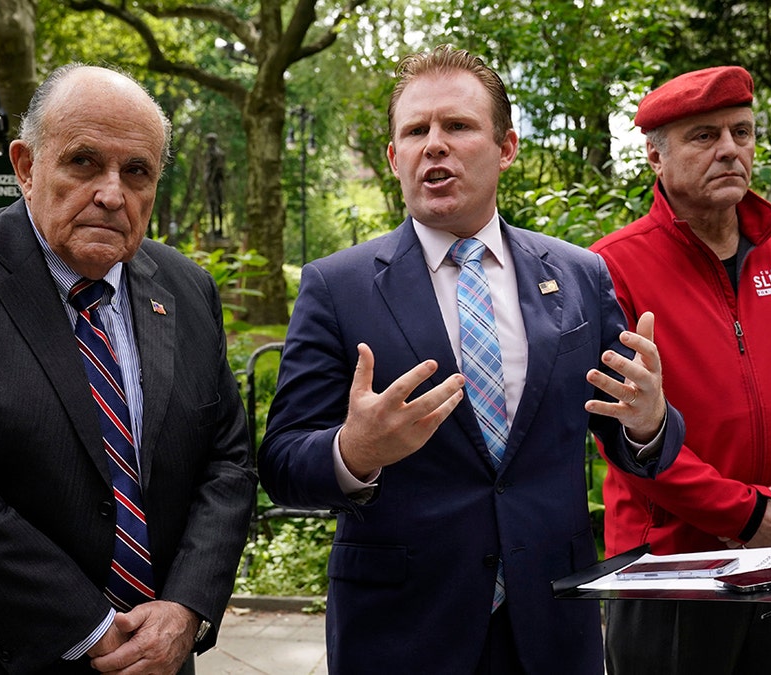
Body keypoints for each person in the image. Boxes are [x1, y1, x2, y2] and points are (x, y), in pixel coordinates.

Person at [257, 45, 685, 674]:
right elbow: (282, 461)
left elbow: (633, 440)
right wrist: (354, 453)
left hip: (550, 622)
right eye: (415, 131)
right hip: (402, 629)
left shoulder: (578, 275)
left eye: (457, 126)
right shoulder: (336, 286)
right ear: (393, 157)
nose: (435, 144)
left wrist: (648, 421)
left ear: (506, 147)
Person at [0, 64, 257, 674]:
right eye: (84, 162)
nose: (112, 193)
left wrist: (186, 607)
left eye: (137, 171)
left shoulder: (186, 286)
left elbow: (226, 460)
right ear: (25, 166)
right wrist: (88, 627)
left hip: (156, 655)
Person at [590, 65, 771, 675]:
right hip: (669, 566)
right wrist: (743, 514)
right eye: (703, 136)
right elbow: (622, 432)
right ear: (655, 158)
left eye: (741, 132)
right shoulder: (611, 268)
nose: (729, 150)